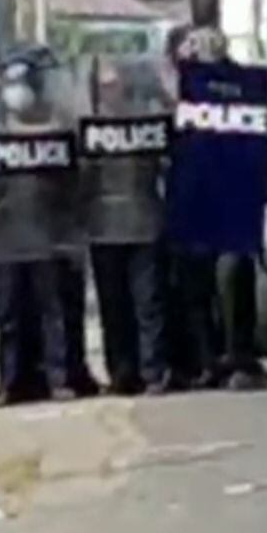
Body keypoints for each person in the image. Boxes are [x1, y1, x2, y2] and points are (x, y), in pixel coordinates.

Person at [0, 49, 93, 404]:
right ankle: (11, 382)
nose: (17, 92)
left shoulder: (59, 127)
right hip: (6, 237)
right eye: (11, 85)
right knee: (10, 317)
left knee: (53, 314)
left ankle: (60, 379)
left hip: (51, 236)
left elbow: (77, 178)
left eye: (23, 84)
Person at [168, 25, 266, 391]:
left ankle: (241, 358)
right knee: (195, 284)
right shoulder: (175, 89)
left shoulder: (247, 86)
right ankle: (206, 361)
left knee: (234, 278)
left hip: (235, 197)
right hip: (192, 195)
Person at [80, 53, 176, 395]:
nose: (111, 90)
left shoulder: (147, 122)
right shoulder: (85, 127)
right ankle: (122, 373)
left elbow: (167, 161)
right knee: (113, 305)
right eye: (104, 84)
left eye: (115, 83)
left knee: (148, 302)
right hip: (103, 226)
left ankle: (154, 372)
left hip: (145, 220)